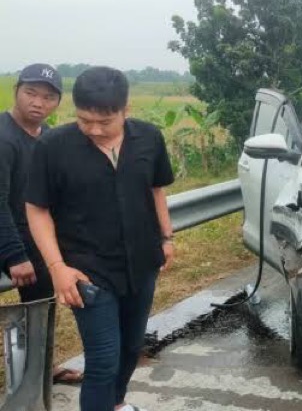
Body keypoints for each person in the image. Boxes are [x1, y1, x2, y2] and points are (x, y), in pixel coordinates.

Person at [25, 66, 175, 411]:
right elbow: (37, 209)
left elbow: (156, 190)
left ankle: (116, 404)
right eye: (84, 120)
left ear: (126, 110)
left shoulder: (149, 138)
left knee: (131, 347)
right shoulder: (53, 146)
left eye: (105, 122)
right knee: (104, 359)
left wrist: (166, 237)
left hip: (141, 262)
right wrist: (57, 267)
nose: (94, 130)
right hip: (87, 271)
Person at [0, 63, 84, 384]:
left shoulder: (47, 138)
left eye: (48, 97)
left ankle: (37, 371)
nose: (38, 102)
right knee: (38, 302)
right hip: (10, 237)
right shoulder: (4, 138)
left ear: (57, 102)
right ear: (16, 92)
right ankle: (28, 376)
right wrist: (14, 254)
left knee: (43, 303)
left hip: (32, 235)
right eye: (31, 93)